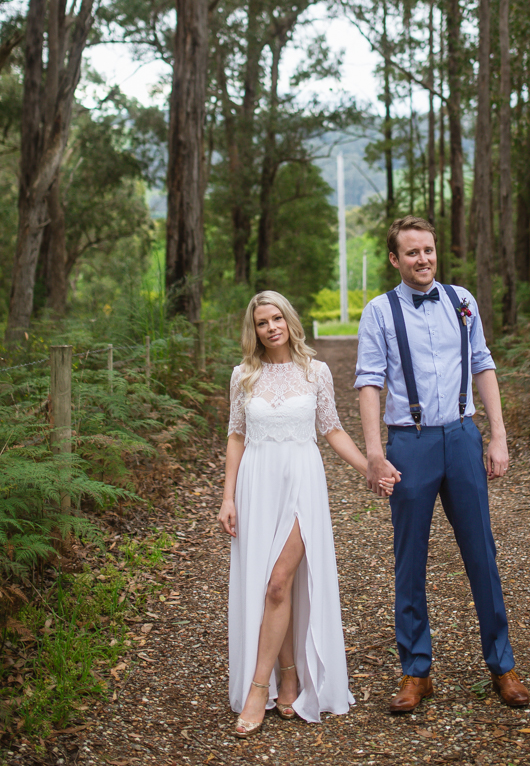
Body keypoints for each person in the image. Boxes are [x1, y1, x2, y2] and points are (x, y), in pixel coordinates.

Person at [355, 216, 530, 711]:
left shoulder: (462, 300)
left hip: (460, 436)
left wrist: (497, 436)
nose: (423, 259)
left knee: (482, 552)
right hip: (408, 444)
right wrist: (374, 452)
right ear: (395, 259)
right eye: (411, 252)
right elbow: (369, 381)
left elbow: (483, 364)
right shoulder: (379, 311)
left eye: (428, 250)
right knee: (410, 558)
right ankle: (416, 671)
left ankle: (502, 665)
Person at [219, 290, 394, 738]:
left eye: (277, 317)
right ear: (253, 330)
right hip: (257, 484)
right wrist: (228, 497)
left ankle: (259, 689)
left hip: (302, 483)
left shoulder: (315, 372)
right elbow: (236, 437)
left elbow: (332, 430)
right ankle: (289, 675)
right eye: (262, 322)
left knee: (280, 580)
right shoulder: (243, 376)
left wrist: (370, 467)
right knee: (268, 586)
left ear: (289, 321)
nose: (271, 327)